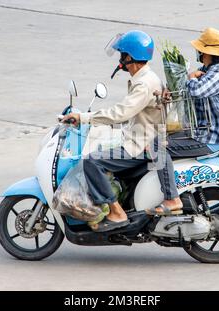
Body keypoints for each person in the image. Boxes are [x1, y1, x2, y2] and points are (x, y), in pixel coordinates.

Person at [62, 30, 180, 232]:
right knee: (103, 147)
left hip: (140, 145)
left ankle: (116, 211)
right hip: (140, 137)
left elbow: (121, 113)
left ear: (130, 57)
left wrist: (84, 117)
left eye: (122, 55)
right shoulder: (149, 77)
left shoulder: (143, 85)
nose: (120, 59)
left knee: (92, 160)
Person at [146, 27, 219, 216]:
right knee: (162, 137)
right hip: (203, 132)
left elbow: (196, 90)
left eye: (200, 50)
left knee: (158, 146)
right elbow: (188, 90)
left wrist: (188, 77)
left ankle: (171, 198)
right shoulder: (207, 69)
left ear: (206, 52)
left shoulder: (218, 72)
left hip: (215, 137)